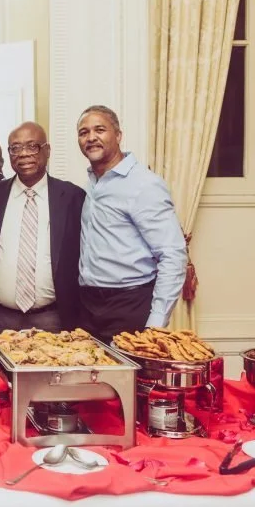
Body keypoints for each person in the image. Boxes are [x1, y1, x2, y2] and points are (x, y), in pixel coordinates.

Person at [77, 105, 187, 343]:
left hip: (130, 306)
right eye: (84, 132)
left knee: (128, 370)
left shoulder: (143, 184)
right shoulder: (93, 184)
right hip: (88, 307)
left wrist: (156, 324)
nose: (91, 137)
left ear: (118, 135)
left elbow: (172, 254)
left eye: (100, 130)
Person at [0, 122, 86, 333]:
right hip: (0, 319)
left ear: (47, 150)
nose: (23, 154)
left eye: (32, 146)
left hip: (53, 318)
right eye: (15, 148)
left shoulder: (73, 197)